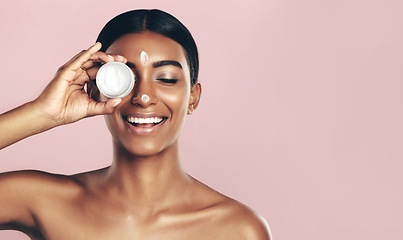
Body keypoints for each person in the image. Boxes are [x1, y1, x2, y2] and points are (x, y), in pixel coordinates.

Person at [0, 9, 271, 240]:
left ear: (193, 98)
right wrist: (43, 113)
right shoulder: (47, 201)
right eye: (123, 78)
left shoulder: (238, 229)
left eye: (166, 78)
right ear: (96, 89)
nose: (143, 97)